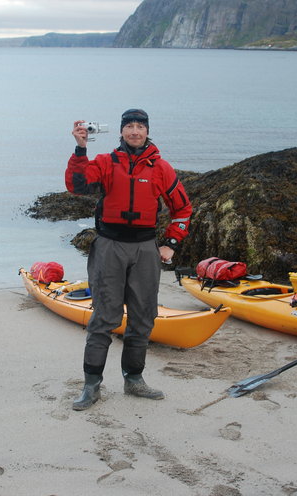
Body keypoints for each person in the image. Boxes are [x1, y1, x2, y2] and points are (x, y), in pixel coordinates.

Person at [65, 108, 192, 410]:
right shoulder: (106, 163)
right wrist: (81, 148)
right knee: (104, 319)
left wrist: (171, 243)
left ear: (147, 131)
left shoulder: (161, 168)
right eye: (129, 126)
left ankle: (134, 379)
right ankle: (91, 385)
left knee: (143, 317)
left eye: (140, 126)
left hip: (146, 249)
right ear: (121, 131)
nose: (135, 131)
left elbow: (183, 210)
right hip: (109, 246)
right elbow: (77, 186)